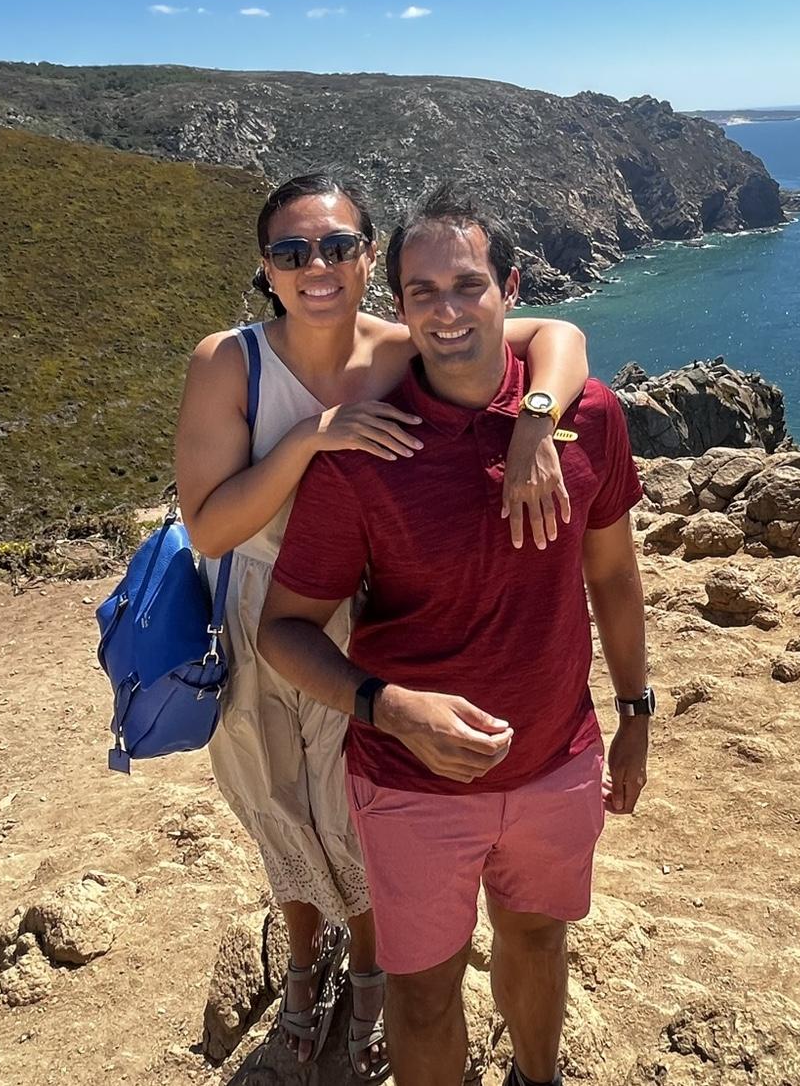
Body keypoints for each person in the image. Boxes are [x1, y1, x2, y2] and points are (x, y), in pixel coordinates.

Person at [174, 173, 590, 1078]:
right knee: (280, 803)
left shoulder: (402, 342)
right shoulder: (229, 361)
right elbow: (207, 526)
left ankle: (370, 977)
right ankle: (298, 966)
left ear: (369, 259)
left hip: (360, 607)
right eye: (292, 252)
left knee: (364, 814)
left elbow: (560, 336)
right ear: (266, 270)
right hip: (261, 600)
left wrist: (534, 423)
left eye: (336, 247)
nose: (315, 266)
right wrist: (311, 437)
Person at [258, 187, 653, 1086]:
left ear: (510, 288)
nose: (446, 309)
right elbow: (282, 631)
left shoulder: (587, 416)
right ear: (398, 306)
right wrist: (388, 708)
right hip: (409, 781)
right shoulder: (368, 452)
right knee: (424, 991)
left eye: (467, 284)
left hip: (556, 759)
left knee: (539, 940)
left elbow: (615, 576)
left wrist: (635, 712)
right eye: (422, 290)